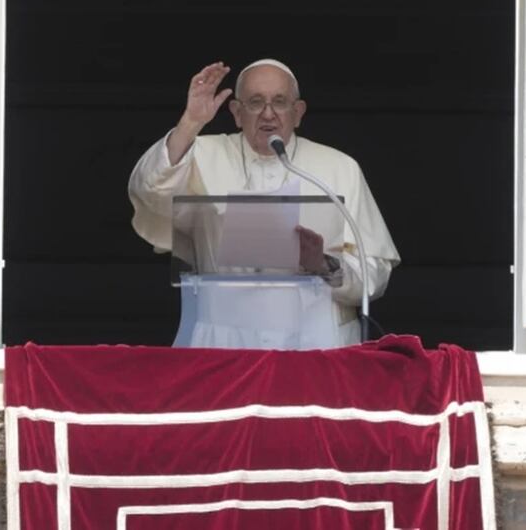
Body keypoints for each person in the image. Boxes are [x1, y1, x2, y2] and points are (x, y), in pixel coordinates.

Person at [128, 58, 400, 349]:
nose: (268, 114)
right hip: (223, 339)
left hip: (316, 341)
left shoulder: (339, 167)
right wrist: (191, 123)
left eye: (280, 102)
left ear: (298, 113)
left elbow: (375, 273)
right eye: (255, 102)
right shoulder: (199, 154)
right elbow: (149, 190)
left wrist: (324, 264)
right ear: (236, 112)